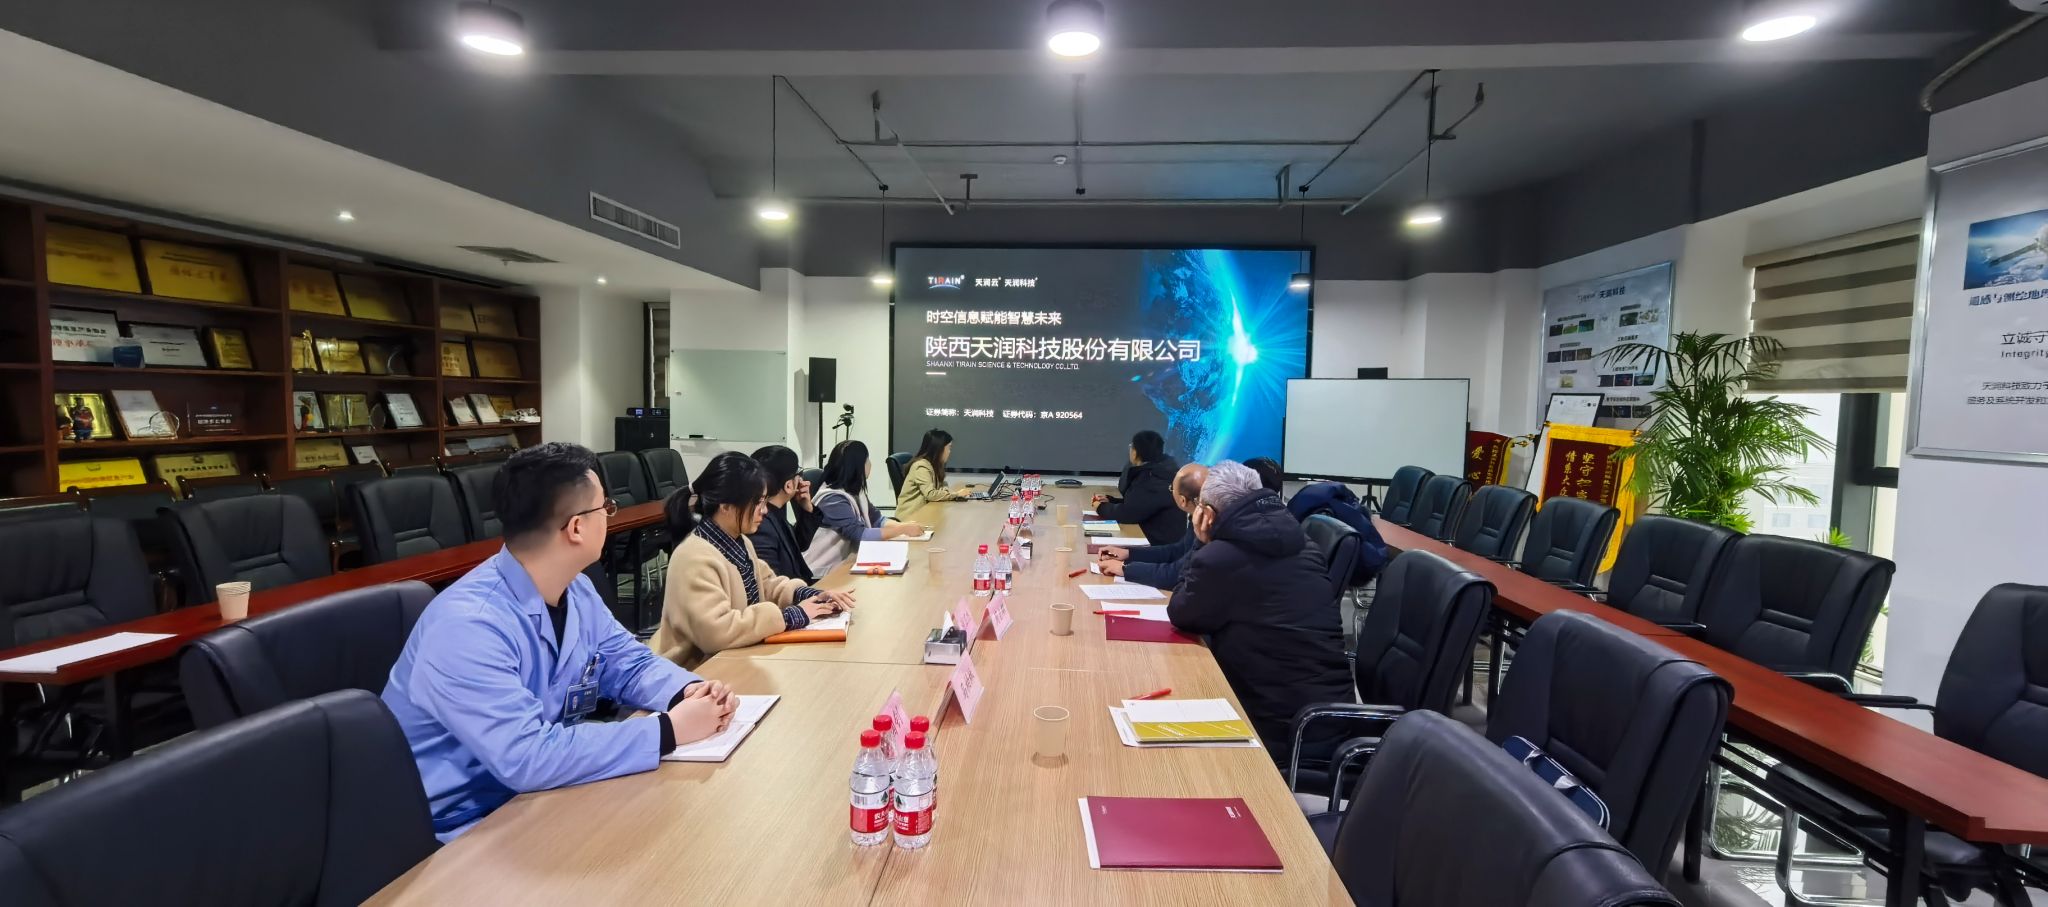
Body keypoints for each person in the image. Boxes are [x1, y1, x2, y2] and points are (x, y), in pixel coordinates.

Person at [381, 442, 739, 842]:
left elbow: (628, 662)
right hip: (458, 828)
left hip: (537, 797)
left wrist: (688, 692)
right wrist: (667, 731)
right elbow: (526, 756)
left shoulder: (575, 589)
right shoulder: (468, 626)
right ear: (577, 528)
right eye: (606, 508)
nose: (609, 516)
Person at [1165, 461, 1351, 763]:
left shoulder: (1221, 558)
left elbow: (1181, 612)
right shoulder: (1305, 544)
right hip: (1327, 715)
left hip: (1279, 725)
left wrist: (1201, 543)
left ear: (1207, 514)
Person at [657, 452, 856, 667]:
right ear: (725, 505)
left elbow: (768, 584)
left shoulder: (738, 540)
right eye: (757, 502)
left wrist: (812, 596)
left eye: (764, 501)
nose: (764, 510)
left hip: (736, 659)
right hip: (696, 672)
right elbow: (716, 633)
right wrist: (791, 616)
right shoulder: (694, 557)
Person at [803, 441, 924, 575]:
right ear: (858, 465)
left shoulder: (854, 490)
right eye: (867, 460)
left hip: (847, 564)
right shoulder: (832, 499)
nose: (870, 464)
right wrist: (901, 529)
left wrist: (904, 526)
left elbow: (876, 519)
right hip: (823, 572)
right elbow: (859, 535)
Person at [1096, 463, 1207, 589]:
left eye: (1171, 488)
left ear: (1182, 500)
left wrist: (1125, 569)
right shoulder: (1199, 515)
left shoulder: (1208, 527)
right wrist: (1128, 553)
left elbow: (1175, 574)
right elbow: (1178, 550)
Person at [1092, 429, 1185, 544]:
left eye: (1131, 446)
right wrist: (1112, 501)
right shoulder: (1160, 470)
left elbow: (1128, 514)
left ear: (1135, 453)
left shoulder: (1152, 478)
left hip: (1158, 544)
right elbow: (1141, 505)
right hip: (1159, 538)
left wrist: (1100, 507)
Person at [747, 445, 818, 583]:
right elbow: (772, 584)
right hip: (790, 592)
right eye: (799, 472)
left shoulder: (776, 510)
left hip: (798, 588)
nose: (802, 480)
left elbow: (799, 545)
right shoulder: (760, 522)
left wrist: (807, 509)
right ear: (789, 485)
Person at [895, 428, 976, 521]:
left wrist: (948, 492)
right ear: (939, 449)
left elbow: (941, 486)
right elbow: (931, 494)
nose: (949, 452)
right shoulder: (921, 466)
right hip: (911, 517)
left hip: (924, 512)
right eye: (949, 448)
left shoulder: (933, 465)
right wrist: (956, 494)